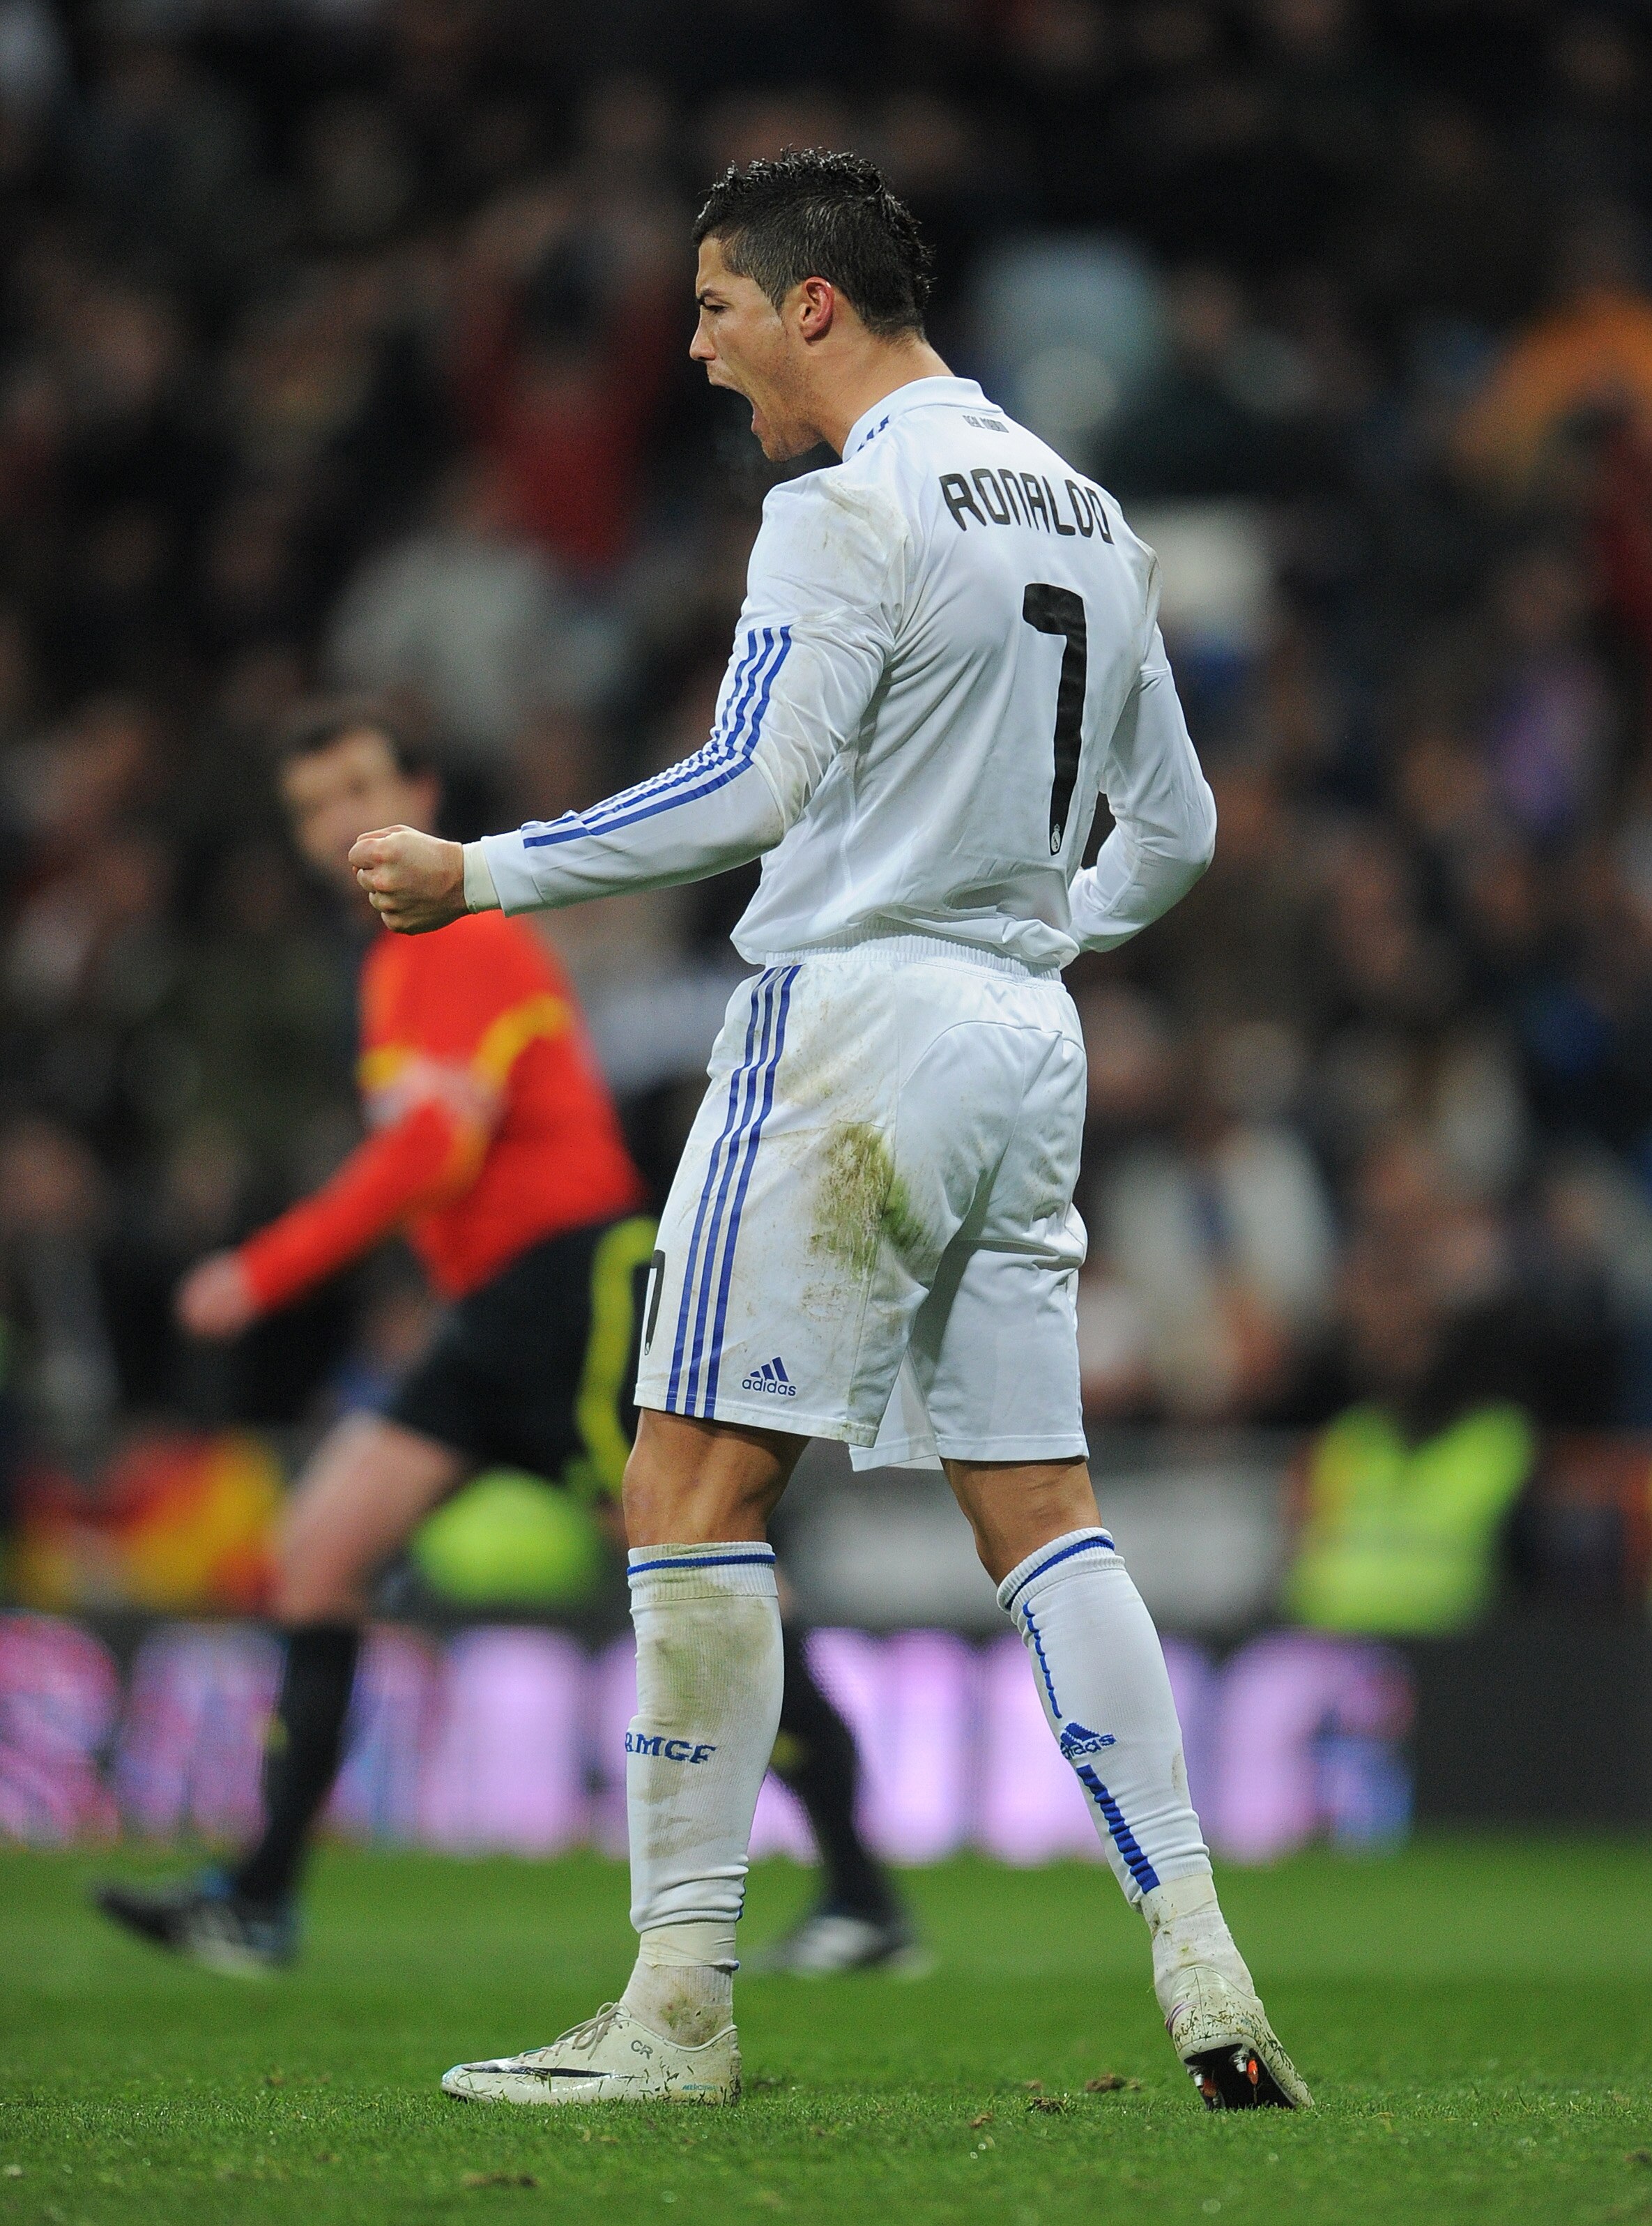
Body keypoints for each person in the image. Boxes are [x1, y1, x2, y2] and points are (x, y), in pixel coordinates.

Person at [353, 151, 1310, 2114]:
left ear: (811, 305)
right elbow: (1183, 831)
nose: (698, 355)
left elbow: (748, 785)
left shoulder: (847, 505)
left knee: (689, 1487)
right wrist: (1045, 931)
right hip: (1018, 1040)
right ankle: (1201, 1950)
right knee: (1044, 1509)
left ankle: (676, 2008)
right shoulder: (1094, 517)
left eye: (712, 309)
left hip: (853, 1027)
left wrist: (484, 866)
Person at [94, 702, 915, 1976]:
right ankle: (255, 1902)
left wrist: (262, 1270)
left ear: (418, 788)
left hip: (574, 1294)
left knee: (705, 1571)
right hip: (489, 1316)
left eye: (358, 788)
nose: (336, 826)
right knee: (317, 1555)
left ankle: (863, 1894)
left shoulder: (454, 933)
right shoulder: (392, 960)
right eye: (312, 805)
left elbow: (436, 1146)